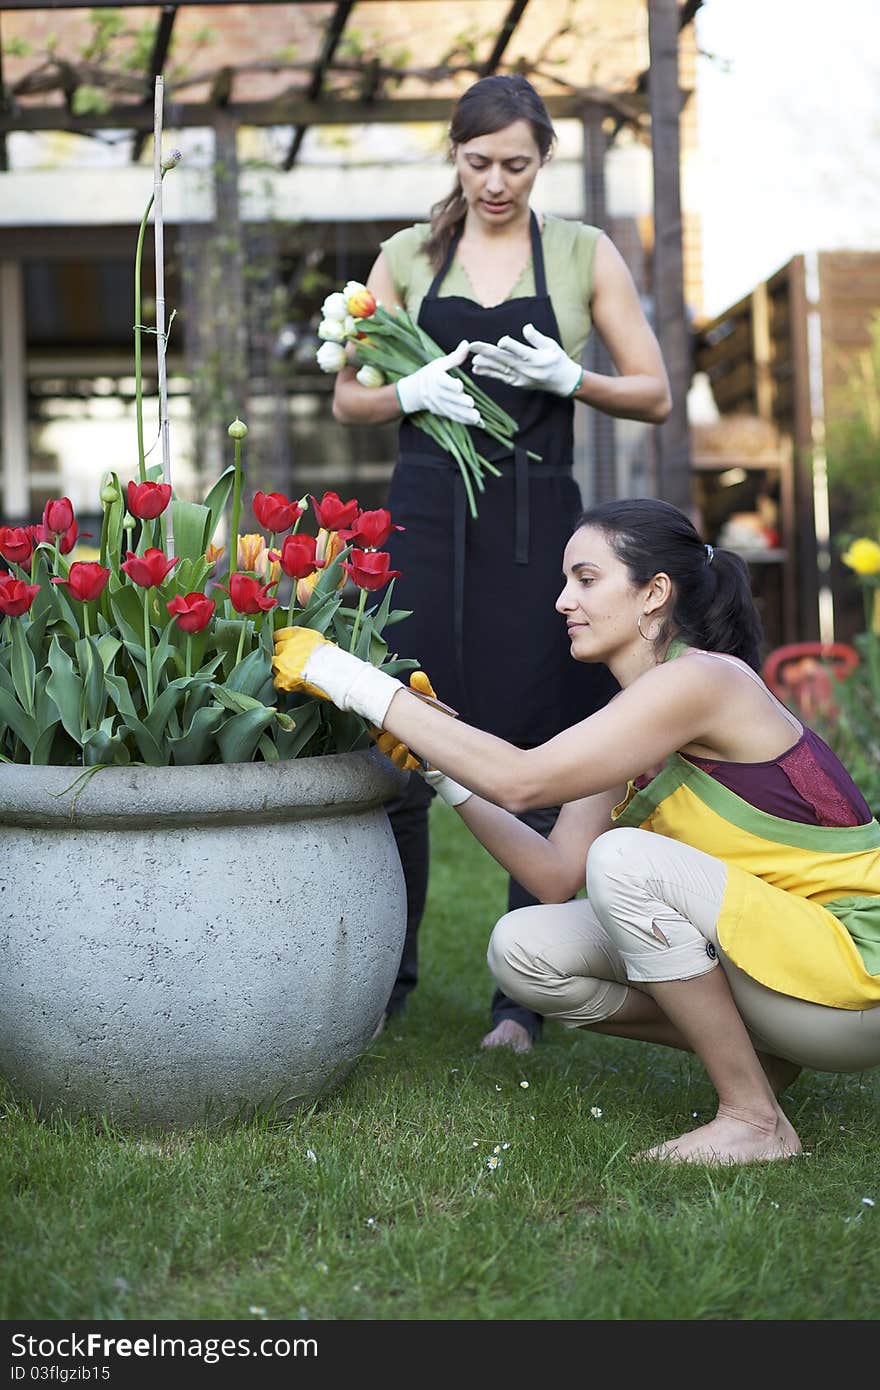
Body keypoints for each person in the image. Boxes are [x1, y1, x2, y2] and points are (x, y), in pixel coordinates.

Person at [273, 497, 880, 1165]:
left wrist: (347, 678)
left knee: (624, 859)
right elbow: (554, 874)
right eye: (566, 581)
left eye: (586, 580)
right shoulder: (636, 714)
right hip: (784, 971)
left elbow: (522, 780)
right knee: (524, 948)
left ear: (653, 594)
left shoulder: (703, 681)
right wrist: (443, 774)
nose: (563, 601)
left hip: (854, 977)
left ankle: (754, 1119)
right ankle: (758, 1057)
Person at [330, 73, 671, 1051]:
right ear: (455, 155)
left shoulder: (579, 252)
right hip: (427, 512)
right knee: (406, 731)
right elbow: (350, 396)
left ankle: (520, 998)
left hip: (535, 520)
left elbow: (651, 389)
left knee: (536, 736)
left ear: (542, 160)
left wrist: (575, 378)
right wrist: (409, 393)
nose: (495, 182)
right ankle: (386, 988)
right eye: (477, 162)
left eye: (515, 164)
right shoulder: (403, 257)